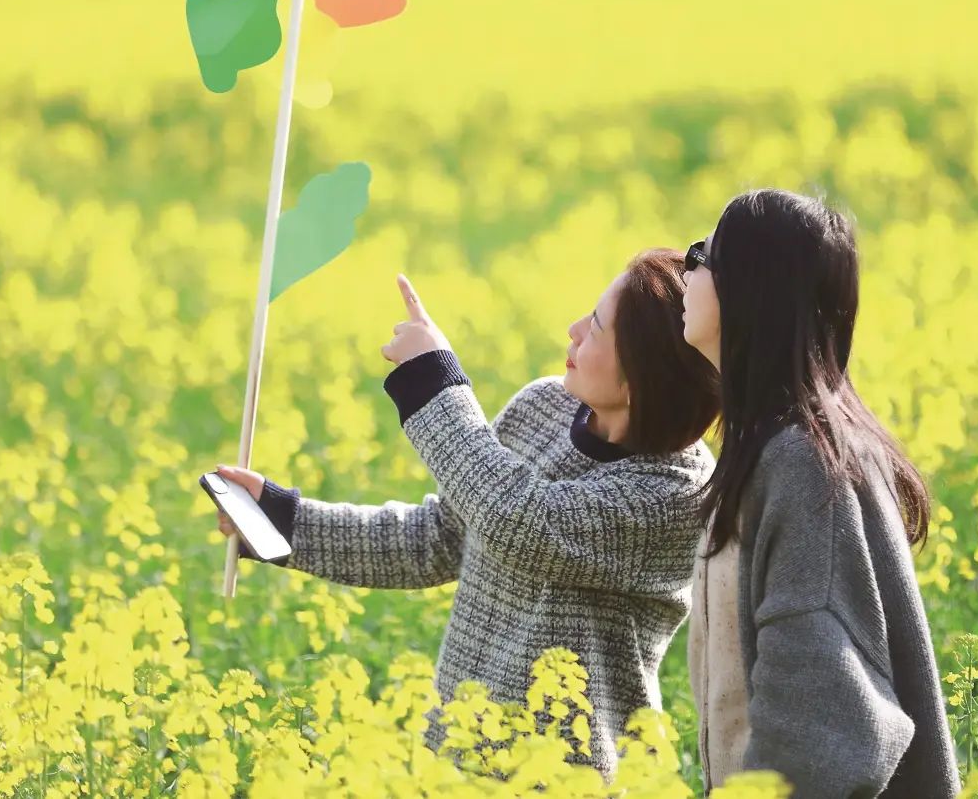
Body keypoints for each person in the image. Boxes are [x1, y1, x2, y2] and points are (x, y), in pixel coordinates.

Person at [213, 248, 719, 780]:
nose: (572, 331)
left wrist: (433, 381)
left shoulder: (676, 492)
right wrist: (286, 523)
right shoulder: (543, 406)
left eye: (594, 328)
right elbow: (441, 536)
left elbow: (519, 521)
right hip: (456, 756)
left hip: (567, 779)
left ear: (642, 374)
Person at [681, 189, 960, 797]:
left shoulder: (803, 464)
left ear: (750, 287)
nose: (687, 269)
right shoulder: (783, 449)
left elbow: (818, 722)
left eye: (703, 254)